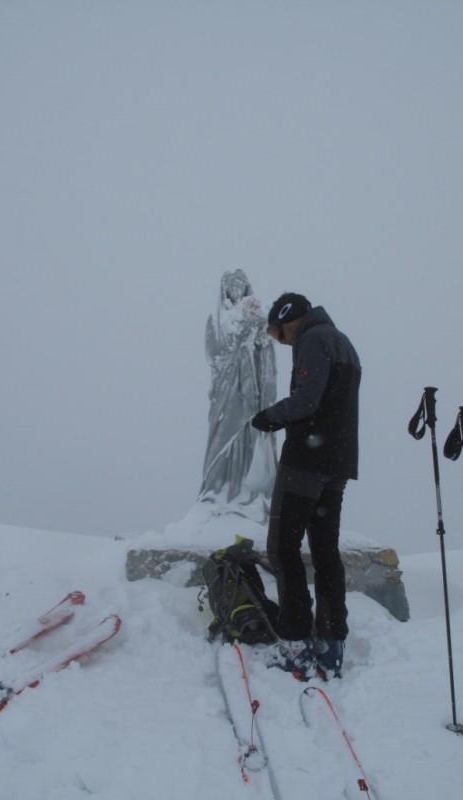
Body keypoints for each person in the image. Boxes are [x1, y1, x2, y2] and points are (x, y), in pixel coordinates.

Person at [251, 292, 361, 680]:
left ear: (288, 318)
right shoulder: (343, 342)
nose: (281, 342)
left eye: (278, 333)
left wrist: (268, 417)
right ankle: (331, 646)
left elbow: (307, 400)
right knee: (325, 551)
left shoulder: (312, 339)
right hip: (338, 464)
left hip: (307, 463)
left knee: (282, 548)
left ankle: (296, 644)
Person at [199, 269, 277, 505]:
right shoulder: (216, 319)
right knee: (224, 436)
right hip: (227, 390)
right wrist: (241, 324)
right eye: (232, 285)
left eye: (241, 285)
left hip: (252, 387)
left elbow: (266, 345)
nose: (237, 289)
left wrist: (260, 321)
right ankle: (219, 488)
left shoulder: (256, 315)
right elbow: (216, 352)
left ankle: (247, 489)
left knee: (251, 432)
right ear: (224, 289)